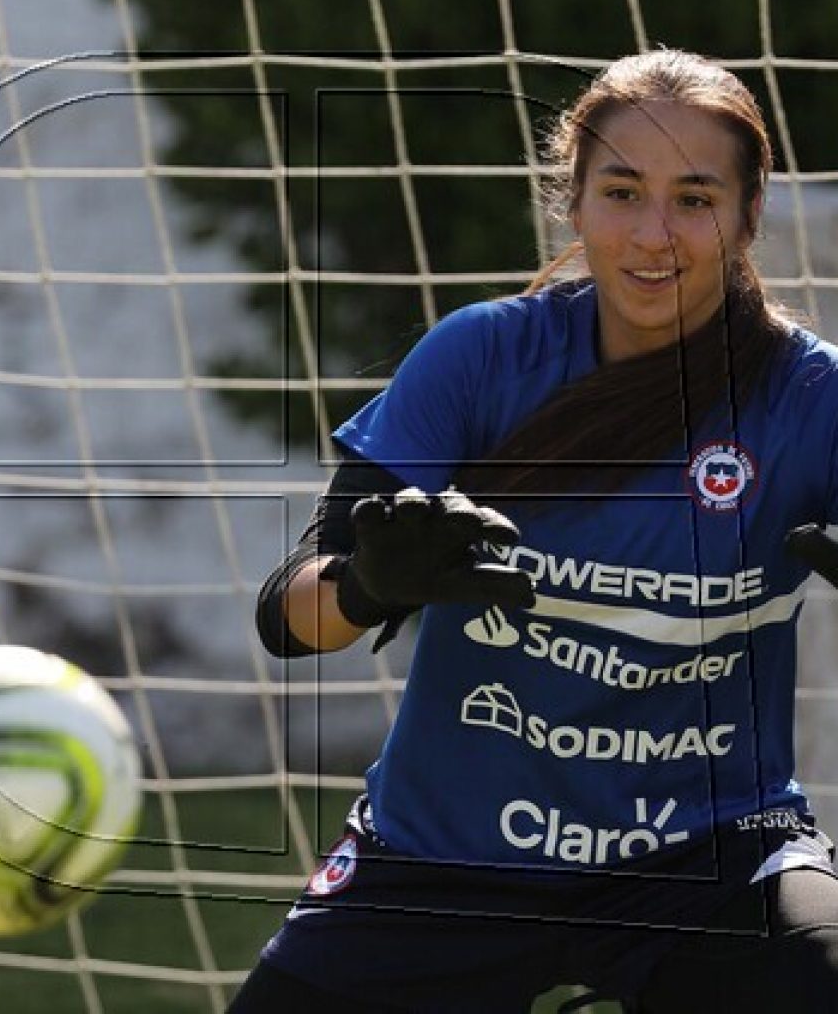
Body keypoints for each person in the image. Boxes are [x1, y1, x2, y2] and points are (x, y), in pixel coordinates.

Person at [230, 49, 838, 1013]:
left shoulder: (811, 396)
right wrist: (368, 584)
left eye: (694, 198)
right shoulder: (480, 355)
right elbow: (286, 620)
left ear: (749, 215)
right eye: (622, 191)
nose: (654, 235)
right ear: (573, 200)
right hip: (443, 856)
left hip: (712, 855)